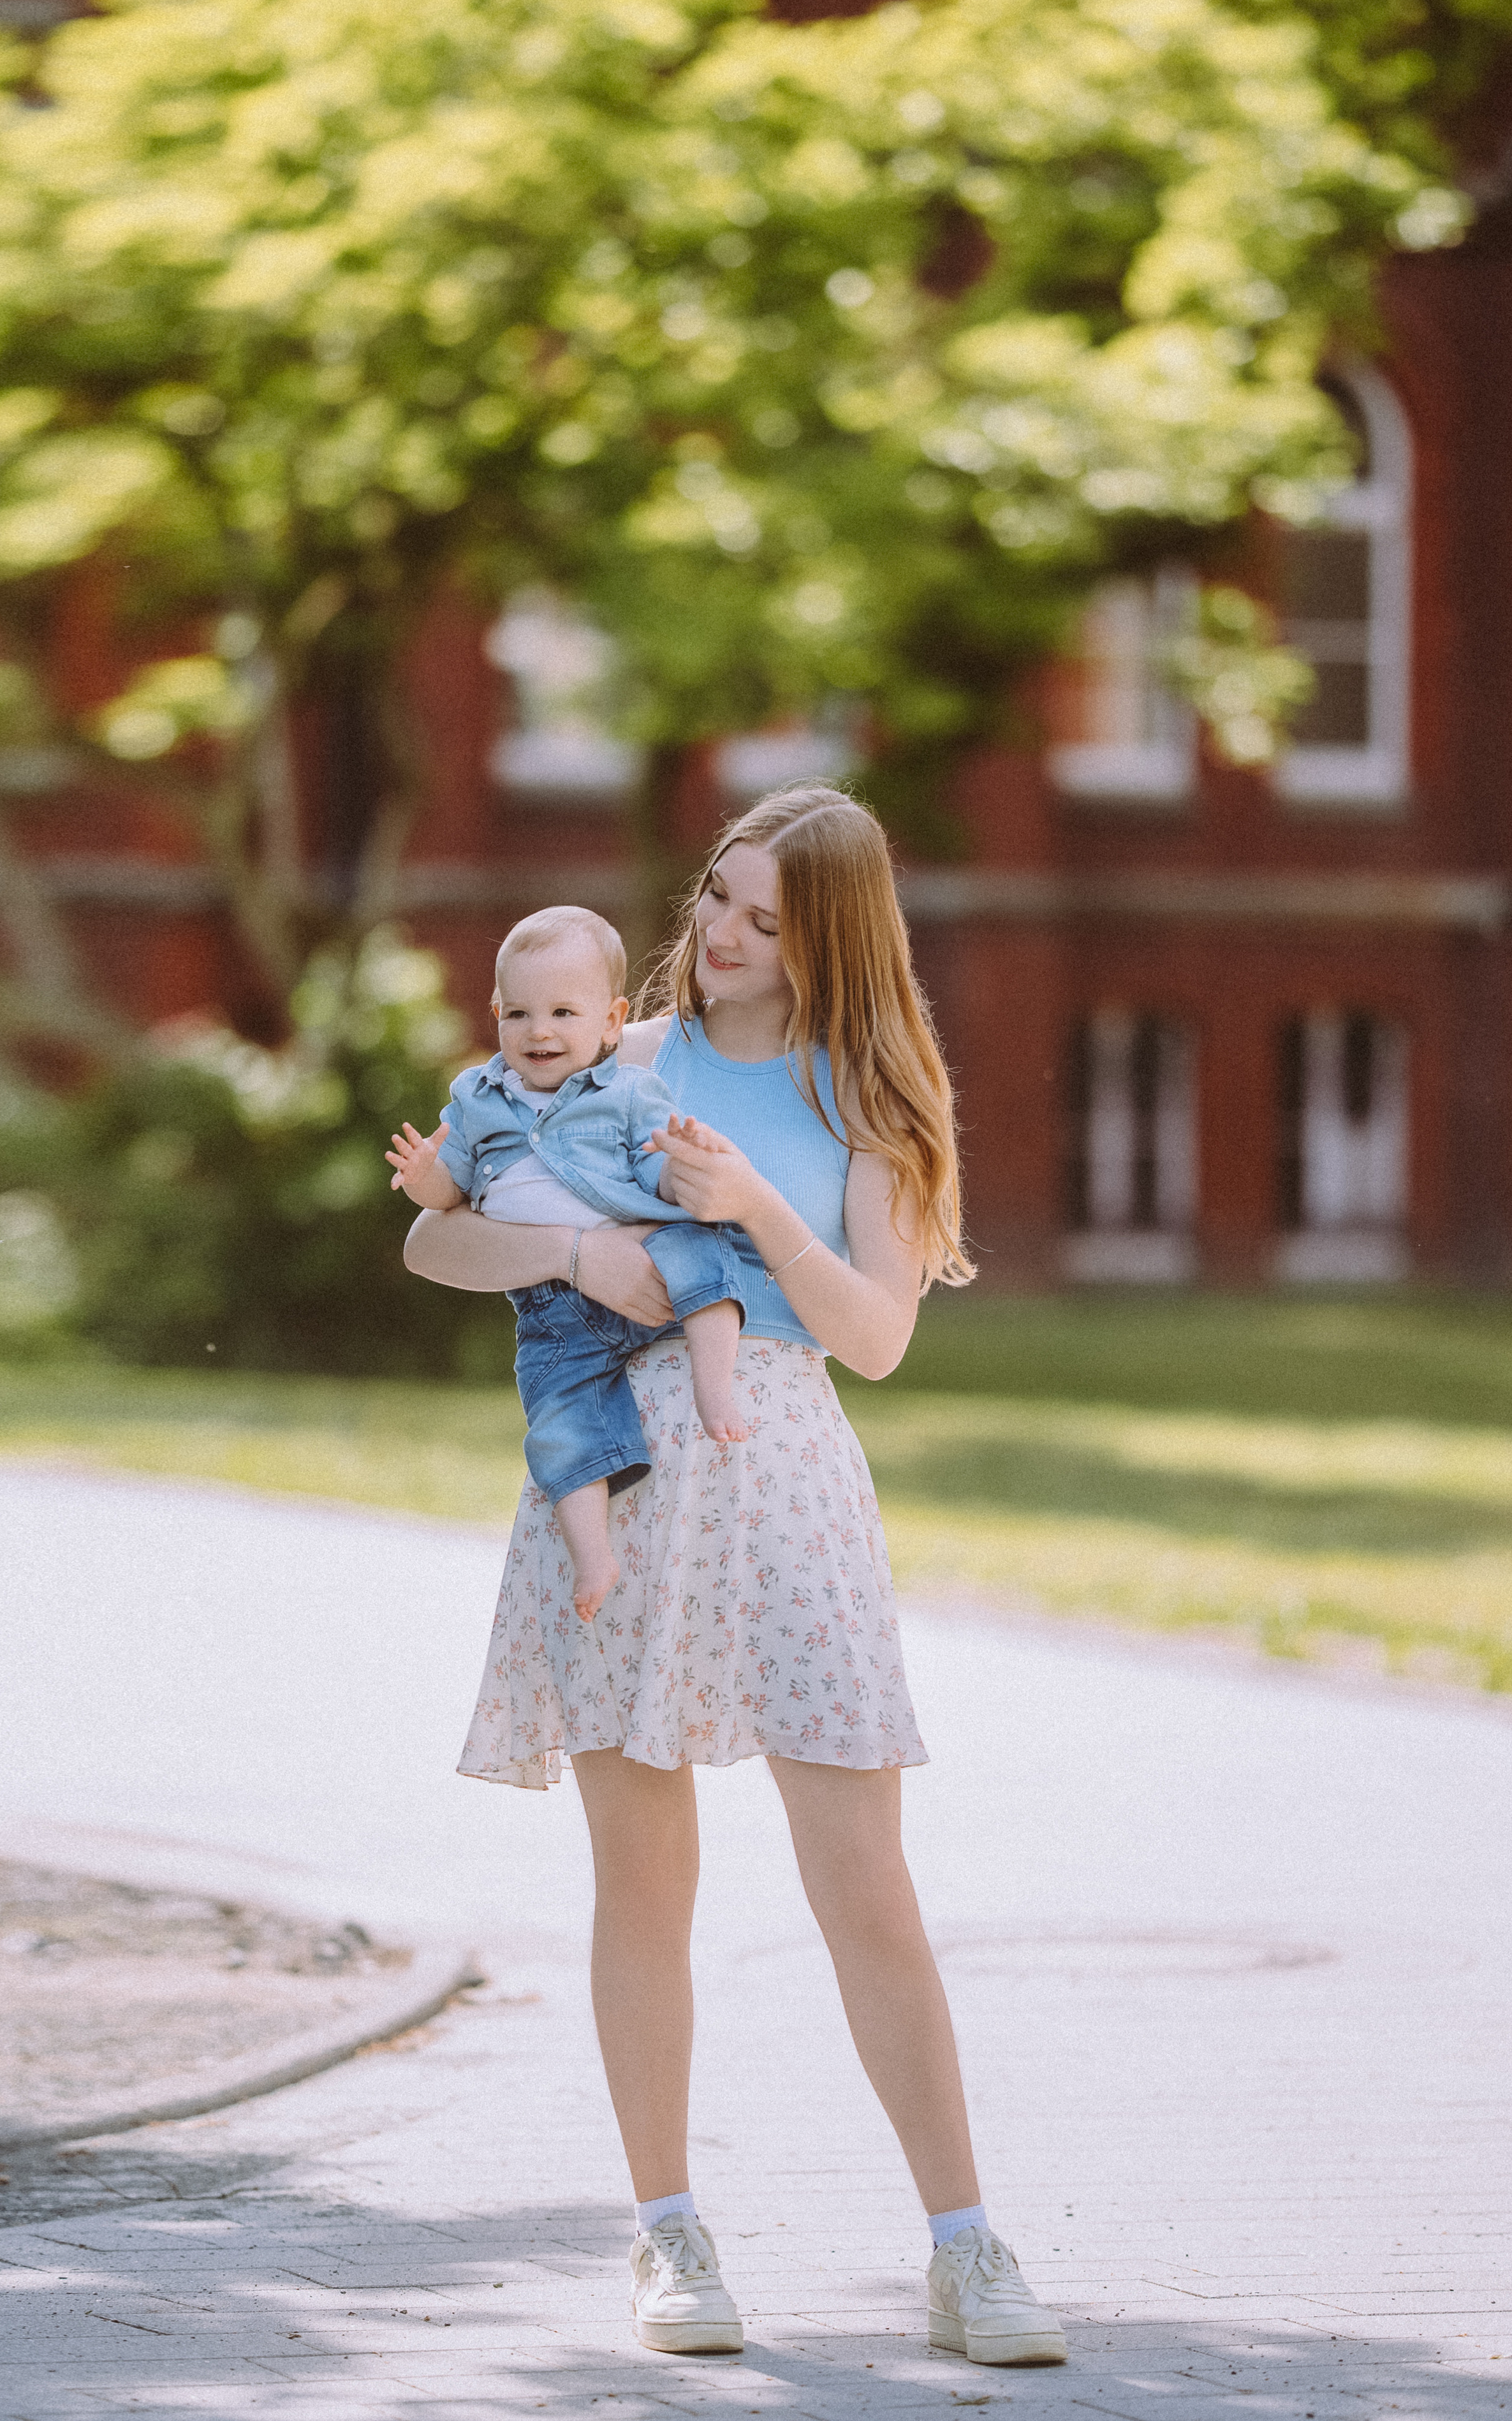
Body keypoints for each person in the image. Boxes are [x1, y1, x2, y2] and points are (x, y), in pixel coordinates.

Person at [404, 784, 1067, 2371]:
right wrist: (571, 1254)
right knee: (644, 1877)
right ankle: (667, 2227)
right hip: (624, 1465)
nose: (715, 938)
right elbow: (436, 1243)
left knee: (866, 1884)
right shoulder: (614, 1059)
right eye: (712, 899)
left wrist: (750, 1200)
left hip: (783, 1473)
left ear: (824, 941)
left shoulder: (875, 1100)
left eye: (763, 921)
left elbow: (877, 1338)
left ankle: (964, 2245)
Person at [386, 904, 750, 1619]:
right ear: (494, 1014)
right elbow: (447, 1191)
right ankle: (594, 1555)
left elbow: (655, 1173)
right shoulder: (478, 1099)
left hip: (643, 1253)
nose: (539, 1031)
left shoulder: (627, 1092)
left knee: (708, 1252)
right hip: (554, 1308)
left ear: (611, 1022)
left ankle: (716, 1385)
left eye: (561, 1011)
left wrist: (683, 1171)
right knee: (557, 1416)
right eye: (518, 1014)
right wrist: (423, 1172)